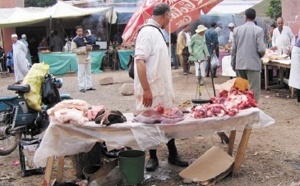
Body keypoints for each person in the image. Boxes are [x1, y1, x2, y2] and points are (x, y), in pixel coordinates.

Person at [134, 2, 188, 172]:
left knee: (168, 119)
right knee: (151, 122)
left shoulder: (157, 32)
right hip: (152, 88)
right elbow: (139, 61)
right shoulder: (147, 32)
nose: (170, 19)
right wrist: (146, 89)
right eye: (170, 16)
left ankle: (173, 154)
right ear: (165, 15)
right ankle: (153, 157)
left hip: (161, 87)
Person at [231, 8, 265, 102]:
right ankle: (253, 111)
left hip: (240, 64)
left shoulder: (237, 30)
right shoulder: (259, 30)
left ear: (245, 17)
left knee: (241, 91)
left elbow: (233, 50)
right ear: (254, 17)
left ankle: (242, 112)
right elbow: (261, 49)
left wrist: (233, 63)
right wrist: (258, 56)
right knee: (253, 91)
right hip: (253, 65)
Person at [71, 25, 96, 93]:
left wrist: (90, 48)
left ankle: (89, 86)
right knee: (81, 74)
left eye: (81, 31)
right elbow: (73, 50)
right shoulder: (74, 40)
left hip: (87, 57)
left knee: (89, 73)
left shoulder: (86, 38)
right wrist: (83, 50)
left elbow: (90, 45)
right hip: (81, 59)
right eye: (78, 31)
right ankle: (81, 87)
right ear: (76, 32)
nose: (80, 32)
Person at [289, 31, 300, 102]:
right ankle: (299, 98)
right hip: (298, 51)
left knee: (298, 77)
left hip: (296, 50)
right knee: (298, 77)